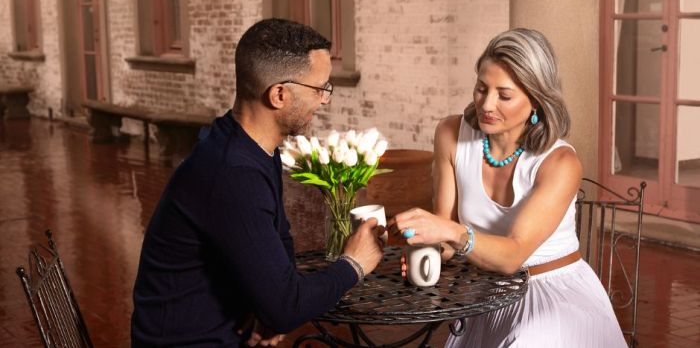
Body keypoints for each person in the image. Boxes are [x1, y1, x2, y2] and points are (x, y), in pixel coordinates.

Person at [131, 19, 384, 346]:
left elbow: (281, 244)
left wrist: (267, 305)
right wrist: (354, 263)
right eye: (320, 88)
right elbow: (286, 308)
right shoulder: (233, 172)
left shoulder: (251, 147)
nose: (325, 99)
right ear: (279, 94)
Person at [390, 28, 626, 347]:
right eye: (481, 88)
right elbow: (445, 237)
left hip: (551, 296)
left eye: (504, 95)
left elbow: (512, 255)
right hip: (487, 294)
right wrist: (423, 245)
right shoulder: (451, 133)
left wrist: (447, 231)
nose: (487, 104)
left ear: (536, 100)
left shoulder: (560, 163)